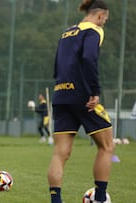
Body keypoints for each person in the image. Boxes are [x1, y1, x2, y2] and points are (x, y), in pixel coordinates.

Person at [48, 1, 114, 203]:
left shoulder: (66, 33)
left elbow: (57, 65)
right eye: (106, 19)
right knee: (107, 146)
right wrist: (94, 91)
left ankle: (56, 200)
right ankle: (101, 198)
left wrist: (62, 86)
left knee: (61, 153)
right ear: (101, 15)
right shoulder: (94, 31)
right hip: (83, 97)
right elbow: (89, 58)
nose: (105, 22)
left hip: (60, 94)